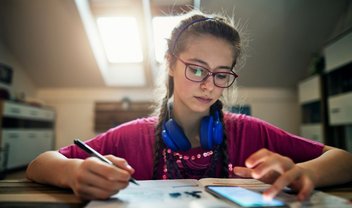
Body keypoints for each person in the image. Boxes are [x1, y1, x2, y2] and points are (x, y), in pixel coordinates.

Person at [26, 10, 352, 201]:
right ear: (169, 62)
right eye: (196, 69)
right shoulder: (130, 137)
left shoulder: (251, 133)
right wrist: (74, 172)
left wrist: (303, 172)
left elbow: (344, 159)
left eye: (221, 74)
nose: (209, 85)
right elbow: (40, 163)